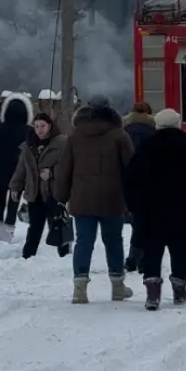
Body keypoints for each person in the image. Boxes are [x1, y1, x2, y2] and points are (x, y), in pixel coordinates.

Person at [125, 108, 186, 310]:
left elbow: (130, 180)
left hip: (150, 209)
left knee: (152, 249)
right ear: (177, 125)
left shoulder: (145, 149)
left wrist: (133, 205)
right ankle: (179, 290)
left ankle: (152, 296)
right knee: (179, 249)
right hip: (179, 208)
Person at [53, 98, 135, 304]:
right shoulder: (119, 135)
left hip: (82, 198)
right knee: (114, 241)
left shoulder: (74, 137)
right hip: (112, 198)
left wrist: (61, 197)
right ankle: (117, 287)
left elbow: (64, 170)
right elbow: (132, 169)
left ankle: (79, 289)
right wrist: (134, 197)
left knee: (84, 241)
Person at [9, 113, 67, 259]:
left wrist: (52, 172)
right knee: (35, 226)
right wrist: (15, 187)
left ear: (50, 126)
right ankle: (27, 256)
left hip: (54, 192)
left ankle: (65, 255)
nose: (40, 130)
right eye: (37, 127)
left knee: (58, 224)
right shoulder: (28, 146)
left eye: (43, 126)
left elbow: (69, 166)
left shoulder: (61, 143)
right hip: (34, 192)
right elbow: (21, 168)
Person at [0, 93, 34, 243]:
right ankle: (7, 235)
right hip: (19, 175)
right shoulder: (29, 131)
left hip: (0, 173)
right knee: (13, 204)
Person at [122, 100, 156, 272]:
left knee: (136, 221)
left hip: (130, 181)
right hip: (150, 181)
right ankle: (142, 260)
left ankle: (133, 259)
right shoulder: (154, 131)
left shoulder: (124, 131)